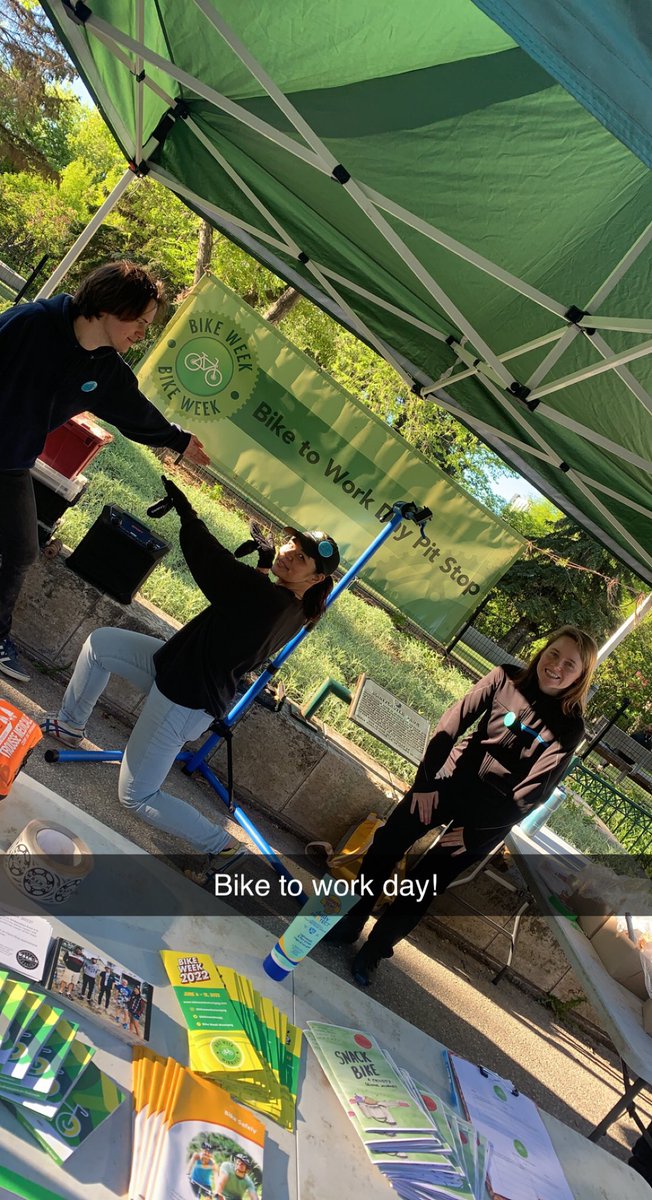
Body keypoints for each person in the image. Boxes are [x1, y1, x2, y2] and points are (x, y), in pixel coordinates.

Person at [41, 475, 340, 877]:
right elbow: (248, 593)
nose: (290, 553)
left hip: (184, 697)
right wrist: (266, 562)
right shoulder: (295, 607)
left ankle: (222, 846)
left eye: (301, 558)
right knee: (101, 646)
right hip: (176, 665)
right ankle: (69, 726)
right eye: (292, 544)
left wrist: (189, 515)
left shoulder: (271, 601)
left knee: (136, 796)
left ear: (316, 578)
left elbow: (217, 570)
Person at [329, 626, 598, 986]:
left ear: (581, 676)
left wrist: (474, 833)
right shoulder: (504, 678)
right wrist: (424, 785)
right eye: (553, 654)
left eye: (570, 665)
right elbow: (452, 722)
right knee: (386, 846)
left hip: (489, 814)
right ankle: (350, 922)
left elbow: (533, 793)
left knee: (424, 883)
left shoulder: (570, 728)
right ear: (542, 651)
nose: (556, 667)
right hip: (448, 780)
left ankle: (374, 951)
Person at [0, 260, 209, 684]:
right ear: (113, 305)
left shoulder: (105, 370)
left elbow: (134, 411)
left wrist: (178, 439)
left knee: (22, 549)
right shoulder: (32, 323)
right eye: (141, 321)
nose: (142, 333)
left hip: (10, 462)